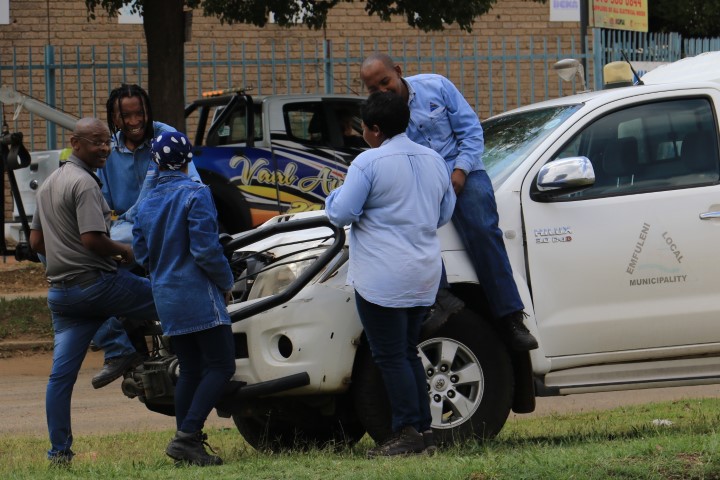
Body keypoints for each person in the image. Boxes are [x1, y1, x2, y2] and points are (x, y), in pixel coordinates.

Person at [359, 53, 538, 351]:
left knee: (482, 228)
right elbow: (387, 155)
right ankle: (440, 299)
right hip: (422, 182)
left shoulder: (437, 86)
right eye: (373, 88)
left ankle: (511, 318)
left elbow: (471, 131)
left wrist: (460, 171)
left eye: (385, 81)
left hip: (464, 169)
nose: (382, 91)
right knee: (416, 229)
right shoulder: (379, 112)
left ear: (398, 71)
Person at [325, 91, 455, 457]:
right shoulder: (434, 160)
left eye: (364, 128)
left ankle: (406, 431)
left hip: (382, 276)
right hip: (424, 273)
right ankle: (424, 432)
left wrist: (333, 197)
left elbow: (342, 213)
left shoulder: (368, 162)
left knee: (390, 356)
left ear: (375, 130)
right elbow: (444, 213)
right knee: (407, 352)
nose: (363, 133)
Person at [29, 117, 159, 466]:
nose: (104, 148)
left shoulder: (49, 184)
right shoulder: (85, 183)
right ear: (75, 143)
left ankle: (59, 453)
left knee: (60, 378)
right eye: (96, 142)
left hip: (62, 296)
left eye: (106, 142)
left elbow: (36, 242)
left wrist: (63, 255)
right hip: (97, 286)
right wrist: (125, 251)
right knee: (171, 300)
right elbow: (92, 240)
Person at [132, 131, 235, 466]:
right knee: (222, 365)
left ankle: (185, 444)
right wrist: (226, 281)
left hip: (166, 295)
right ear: (188, 160)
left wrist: (162, 270)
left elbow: (141, 253)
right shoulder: (196, 193)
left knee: (190, 368)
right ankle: (187, 436)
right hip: (198, 293)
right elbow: (206, 250)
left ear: (156, 162)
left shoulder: (145, 204)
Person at [89, 84, 202, 389]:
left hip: (163, 223)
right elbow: (101, 202)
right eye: (126, 116)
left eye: (139, 113)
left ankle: (131, 330)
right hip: (126, 228)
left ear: (148, 111)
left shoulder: (166, 137)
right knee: (81, 264)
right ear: (114, 117)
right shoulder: (107, 149)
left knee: (94, 261)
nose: (134, 121)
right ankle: (121, 345)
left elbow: (190, 187)